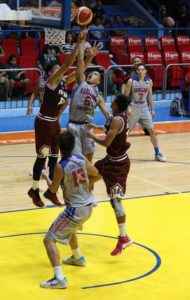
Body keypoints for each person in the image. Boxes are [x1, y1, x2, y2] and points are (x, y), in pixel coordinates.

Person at [28, 29, 88, 208]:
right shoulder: (51, 81)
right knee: (42, 157)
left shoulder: (63, 82)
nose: (59, 69)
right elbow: (68, 64)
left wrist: (89, 57)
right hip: (44, 122)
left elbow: (79, 71)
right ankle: (34, 189)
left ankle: (51, 191)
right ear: (51, 72)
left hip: (54, 122)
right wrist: (78, 43)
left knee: (55, 157)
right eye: (56, 68)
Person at [40, 131, 100, 289]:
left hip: (75, 210)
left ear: (59, 148)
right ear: (74, 146)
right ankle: (77, 257)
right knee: (70, 230)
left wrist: (46, 176)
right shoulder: (81, 158)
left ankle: (59, 278)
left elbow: (52, 191)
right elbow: (98, 174)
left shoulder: (61, 166)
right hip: (88, 206)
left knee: (49, 240)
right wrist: (87, 185)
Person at [87, 94, 133, 256]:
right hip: (110, 160)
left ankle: (124, 237)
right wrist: (98, 127)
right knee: (89, 177)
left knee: (116, 202)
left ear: (117, 104)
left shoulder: (117, 120)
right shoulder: (119, 117)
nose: (110, 103)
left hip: (118, 165)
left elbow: (107, 142)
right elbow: (113, 131)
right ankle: (87, 200)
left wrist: (92, 136)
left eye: (113, 101)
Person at [68, 41, 111, 163]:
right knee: (75, 157)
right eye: (91, 73)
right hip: (74, 125)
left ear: (99, 81)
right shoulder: (81, 82)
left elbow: (107, 114)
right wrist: (84, 48)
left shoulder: (98, 95)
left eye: (96, 74)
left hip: (87, 126)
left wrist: (113, 124)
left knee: (89, 156)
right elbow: (80, 64)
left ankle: (89, 181)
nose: (92, 73)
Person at [122, 63, 166, 162]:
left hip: (145, 109)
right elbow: (125, 96)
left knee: (152, 131)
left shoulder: (149, 81)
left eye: (143, 69)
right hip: (134, 108)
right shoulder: (131, 81)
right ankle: (120, 152)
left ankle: (157, 153)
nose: (141, 71)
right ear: (136, 71)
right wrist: (128, 107)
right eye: (139, 70)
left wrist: (153, 109)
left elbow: (150, 96)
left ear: (145, 71)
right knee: (127, 131)